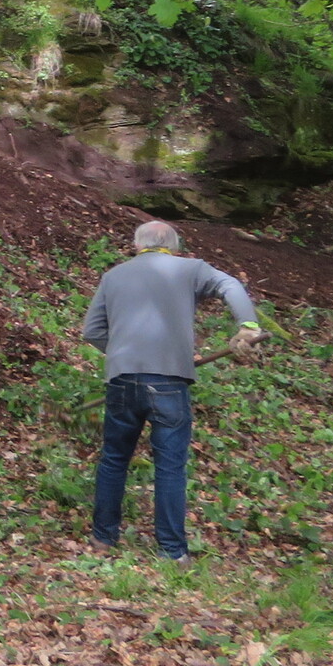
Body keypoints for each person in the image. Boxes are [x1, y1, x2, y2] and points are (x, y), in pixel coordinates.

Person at [80, 219, 263, 561]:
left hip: (122, 379)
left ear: (137, 246)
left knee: (114, 459)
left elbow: (92, 331)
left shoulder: (114, 276)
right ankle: (172, 551)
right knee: (169, 466)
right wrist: (248, 326)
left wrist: (123, 353)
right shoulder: (191, 269)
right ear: (175, 247)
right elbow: (231, 284)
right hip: (169, 380)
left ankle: (103, 539)